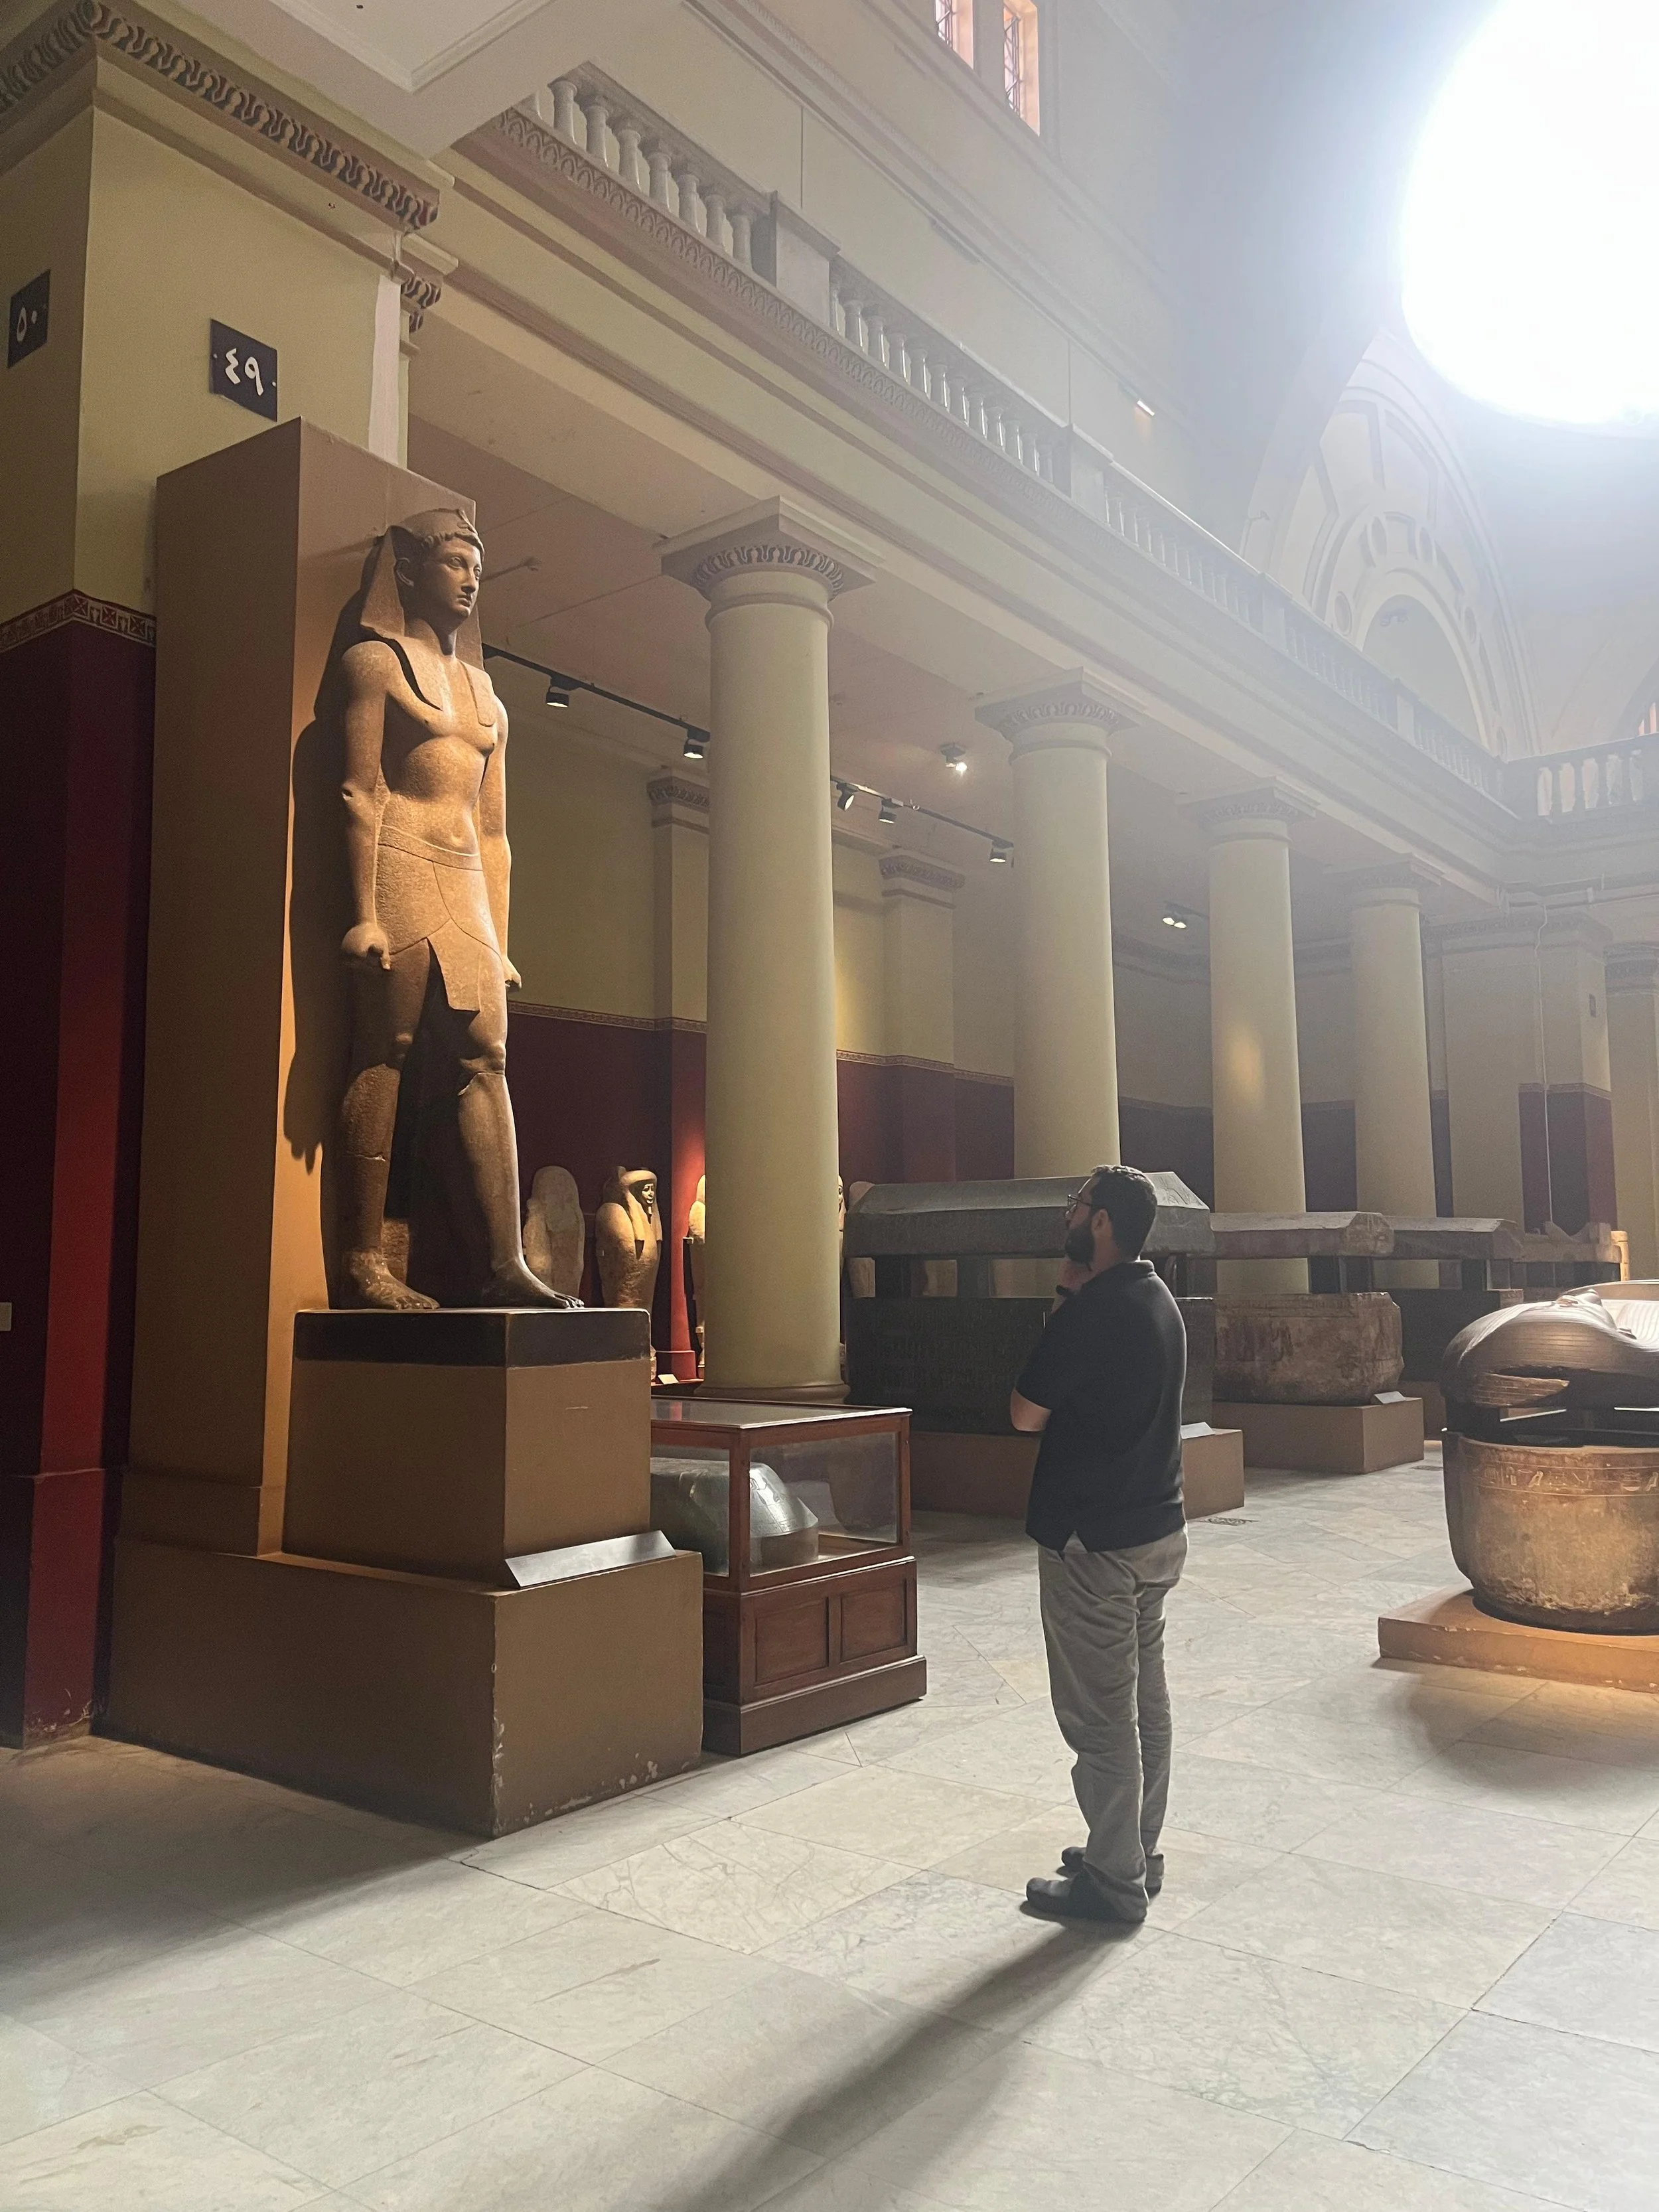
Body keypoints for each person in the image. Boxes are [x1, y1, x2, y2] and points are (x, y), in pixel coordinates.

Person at [1009, 1164, 1187, 1924]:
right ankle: (1132, 1851)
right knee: (1143, 1700)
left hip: (1095, 1539)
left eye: (1077, 1206)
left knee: (1100, 1716)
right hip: (1154, 1528)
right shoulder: (1158, 1298)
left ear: (1103, 1223)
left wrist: (1060, 1305)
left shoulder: (1093, 1311)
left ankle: (1111, 1886)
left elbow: (1023, 1413)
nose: (1069, 1218)